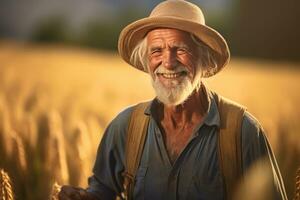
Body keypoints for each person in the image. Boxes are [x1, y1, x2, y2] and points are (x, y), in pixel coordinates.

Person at [58, 1, 287, 200]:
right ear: (147, 61)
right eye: (156, 51)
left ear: (205, 59)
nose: (167, 62)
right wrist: (83, 197)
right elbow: (102, 191)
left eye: (181, 49)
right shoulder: (125, 128)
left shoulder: (243, 132)